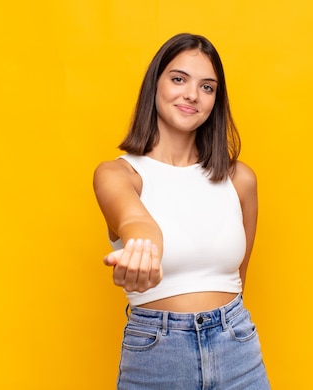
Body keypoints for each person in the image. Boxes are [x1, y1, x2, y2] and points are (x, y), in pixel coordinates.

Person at [93, 33, 270, 389]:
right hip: (158, 354)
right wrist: (142, 249)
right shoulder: (118, 174)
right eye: (178, 79)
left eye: (207, 87)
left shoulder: (240, 180)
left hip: (236, 345)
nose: (192, 94)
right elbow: (136, 222)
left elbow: (240, 274)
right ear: (154, 85)